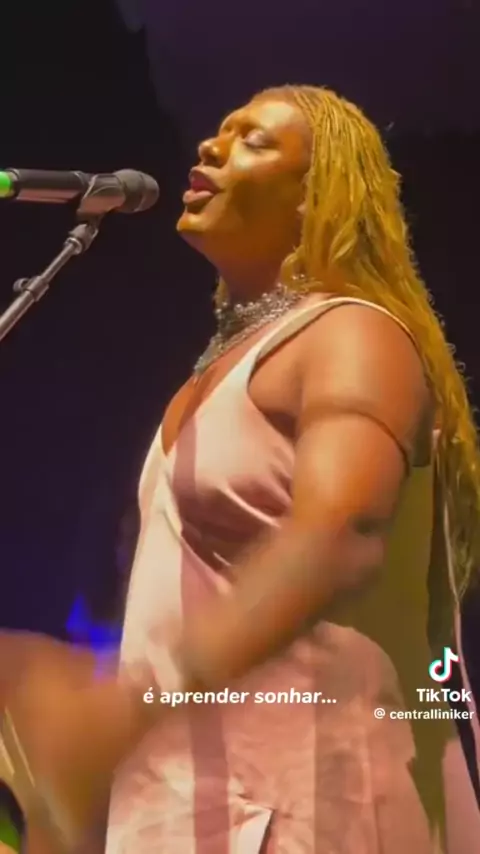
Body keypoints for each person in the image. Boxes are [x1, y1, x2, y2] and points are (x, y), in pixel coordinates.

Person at [3, 84, 480, 854]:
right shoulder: (211, 377)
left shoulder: (353, 334)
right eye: (220, 133)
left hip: (315, 806)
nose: (210, 148)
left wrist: (126, 712)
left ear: (319, 197)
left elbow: (343, 533)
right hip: (188, 810)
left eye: (254, 141)